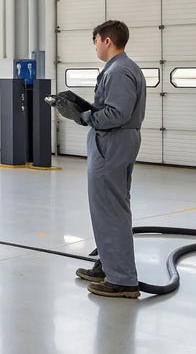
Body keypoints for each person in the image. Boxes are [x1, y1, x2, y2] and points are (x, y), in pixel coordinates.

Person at [61, 21, 147, 299]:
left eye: (96, 40)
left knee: (110, 208)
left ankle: (122, 279)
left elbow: (117, 113)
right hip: (116, 141)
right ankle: (109, 265)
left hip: (112, 141)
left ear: (107, 40)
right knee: (108, 206)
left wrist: (85, 116)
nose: (95, 45)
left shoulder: (120, 70)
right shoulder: (122, 68)